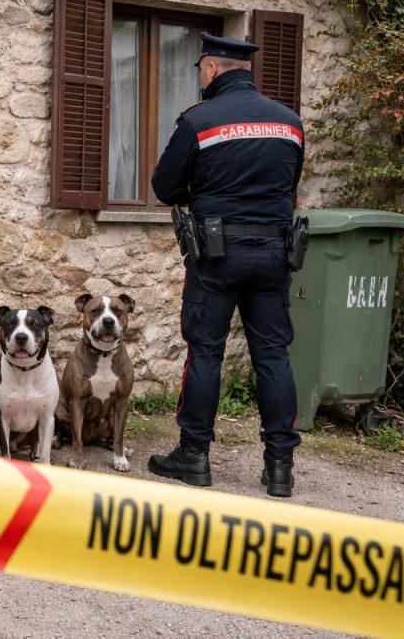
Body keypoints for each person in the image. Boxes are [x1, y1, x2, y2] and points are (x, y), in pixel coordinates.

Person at [148, 32, 305, 497]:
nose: (199, 75)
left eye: (200, 68)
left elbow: (165, 187)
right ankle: (280, 467)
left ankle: (193, 456)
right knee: (274, 356)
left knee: (206, 353)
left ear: (213, 69)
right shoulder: (290, 122)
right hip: (275, 254)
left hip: (216, 257)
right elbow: (289, 181)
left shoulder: (199, 121)